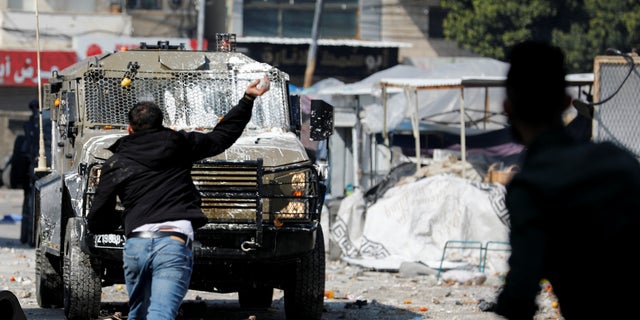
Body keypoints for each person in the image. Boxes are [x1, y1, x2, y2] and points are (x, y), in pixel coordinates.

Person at [87, 76, 270, 320]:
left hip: (136, 245)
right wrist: (247, 99)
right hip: (173, 242)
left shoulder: (115, 163)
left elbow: (98, 218)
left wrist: (123, 220)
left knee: (138, 314)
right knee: (161, 314)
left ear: (129, 130)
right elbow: (222, 136)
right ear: (163, 125)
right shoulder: (180, 144)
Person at [493, 40, 640, 319]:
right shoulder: (619, 162)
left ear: (508, 108)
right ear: (567, 102)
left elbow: (519, 297)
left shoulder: (531, 189)